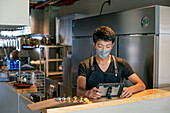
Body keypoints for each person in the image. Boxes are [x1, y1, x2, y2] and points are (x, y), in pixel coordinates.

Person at [77, 26, 146, 99]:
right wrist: (88, 93)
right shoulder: (85, 65)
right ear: (94, 45)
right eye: (100, 46)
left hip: (114, 106)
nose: (104, 50)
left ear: (112, 45)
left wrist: (130, 90)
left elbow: (141, 85)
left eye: (108, 46)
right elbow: (79, 91)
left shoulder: (121, 63)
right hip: (93, 107)